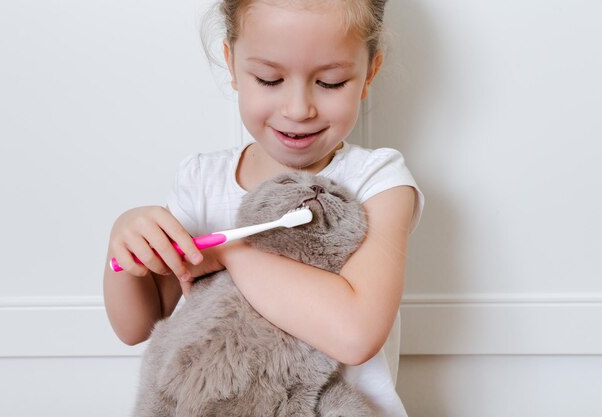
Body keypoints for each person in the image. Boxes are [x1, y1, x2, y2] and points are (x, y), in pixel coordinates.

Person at [104, 0, 424, 415]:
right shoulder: (201, 179)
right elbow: (134, 327)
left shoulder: (379, 180)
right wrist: (123, 239)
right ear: (232, 65)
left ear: (369, 74)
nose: (298, 109)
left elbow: (355, 335)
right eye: (269, 79)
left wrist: (228, 253)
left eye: (330, 82)